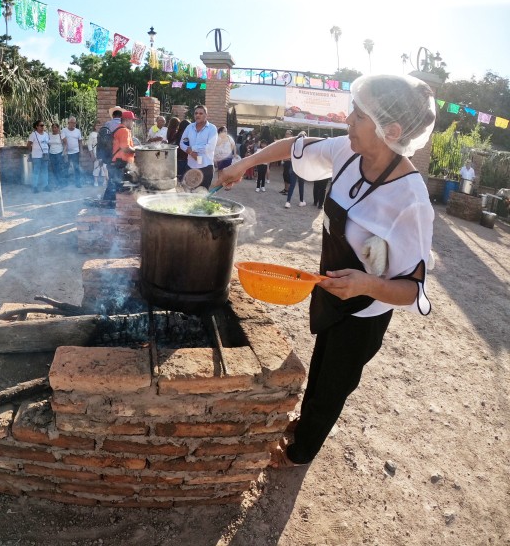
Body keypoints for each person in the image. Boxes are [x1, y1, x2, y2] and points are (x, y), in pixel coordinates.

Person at [216, 74, 436, 467]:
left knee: (334, 384)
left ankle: (299, 453)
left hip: (364, 310)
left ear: (391, 130)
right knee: (320, 365)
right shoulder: (348, 151)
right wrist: (244, 164)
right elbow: (293, 146)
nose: (348, 120)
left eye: (359, 115)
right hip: (332, 289)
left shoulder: (411, 200)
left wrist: (366, 284)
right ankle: (305, 424)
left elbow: (411, 290)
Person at [180, 105, 218, 189]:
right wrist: (191, 153)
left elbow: (210, 147)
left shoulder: (212, 128)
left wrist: (193, 148)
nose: (197, 115)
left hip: (205, 168)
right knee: (188, 193)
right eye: (196, 113)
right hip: (190, 167)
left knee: (202, 193)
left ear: (206, 115)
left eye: (201, 113)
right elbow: (182, 143)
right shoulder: (189, 127)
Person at [102, 110, 137, 202]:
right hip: (119, 163)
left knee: (113, 184)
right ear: (127, 120)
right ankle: (109, 204)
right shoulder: (124, 131)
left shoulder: (119, 129)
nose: (133, 123)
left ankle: (107, 203)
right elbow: (125, 148)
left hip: (117, 162)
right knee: (115, 185)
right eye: (132, 120)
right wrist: (137, 150)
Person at [26, 120, 50, 194]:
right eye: (41, 125)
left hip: (45, 155)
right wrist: (31, 152)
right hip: (36, 156)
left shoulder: (46, 134)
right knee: (36, 171)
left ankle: (46, 185)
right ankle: (35, 186)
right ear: (36, 126)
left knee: (45, 171)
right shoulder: (33, 134)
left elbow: (48, 143)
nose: (43, 127)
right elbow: (28, 144)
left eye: (43, 125)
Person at [285, 130, 307, 208]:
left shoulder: (293, 144)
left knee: (292, 185)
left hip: (293, 166)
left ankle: (288, 202)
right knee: (301, 185)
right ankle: (301, 201)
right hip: (301, 168)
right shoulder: (305, 145)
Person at [62, 116, 84, 188]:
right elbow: (64, 141)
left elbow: (80, 141)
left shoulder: (78, 131)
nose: (74, 124)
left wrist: (81, 150)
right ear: (68, 123)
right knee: (66, 168)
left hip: (75, 152)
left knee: (76, 168)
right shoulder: (64, 130)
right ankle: (65, 183)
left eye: (74, 123)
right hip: (67, 153)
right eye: (72, 122)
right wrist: (65, 152)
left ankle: (78, 183)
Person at [86, 122, 106, 187]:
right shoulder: (92, 134)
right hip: (95, 152)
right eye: (97, 125)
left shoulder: (103, 133)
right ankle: (96, 181)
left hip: (103, 152)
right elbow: (89, 145)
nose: (98, 127)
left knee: (104, 167)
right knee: (96, 167)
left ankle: (104, 181)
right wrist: (92, 154)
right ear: (94, 126)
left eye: (100, 125)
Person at [48, 122, 65, 188]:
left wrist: (64, 152)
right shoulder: (49, 135)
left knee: (59, 169)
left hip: (59, 153)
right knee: (54, 169)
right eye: (53, 127)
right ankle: (57, 183)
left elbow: (66, 143)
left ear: (58, 128)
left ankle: (60, 183)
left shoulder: (61, 135)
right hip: (51, 154)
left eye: (55, 127)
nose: (54, 129)